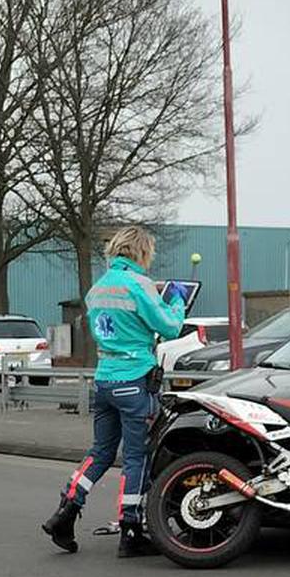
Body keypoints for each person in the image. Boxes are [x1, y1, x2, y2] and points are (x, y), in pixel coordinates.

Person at [40, 226, 188, 558]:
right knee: (136, 457)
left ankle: (65, 509)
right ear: (141, 252)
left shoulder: (98, 288)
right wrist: (176, 301)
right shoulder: (139, 285)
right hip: (134, 379)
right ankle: (131, 530)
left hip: (105, 379)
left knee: (100, 452)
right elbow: (169, 326)